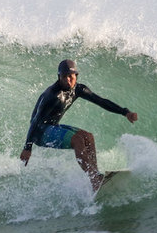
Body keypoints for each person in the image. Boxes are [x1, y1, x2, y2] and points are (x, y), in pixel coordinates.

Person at [20, 59, 138, 191]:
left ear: (76, 75)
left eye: (71, 76)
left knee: (88, 137)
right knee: (77, 139)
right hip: (39, 133)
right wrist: (27, 147)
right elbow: (35, 120)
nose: (68, 80)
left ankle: (96, 178)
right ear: (59, 77)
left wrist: (125, 112)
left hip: (53, 127)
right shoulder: (52, 95)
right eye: (64, 77)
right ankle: (94, 178)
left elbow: (101, 101)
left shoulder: (78, 89)